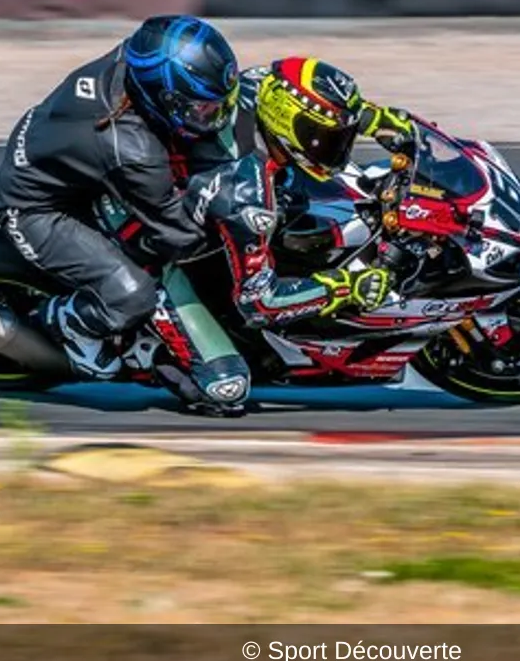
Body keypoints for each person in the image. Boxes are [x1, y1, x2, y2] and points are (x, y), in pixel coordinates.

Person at [134, 57, 411, 416]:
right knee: (228, 389)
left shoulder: (261, 86)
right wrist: (344, 286)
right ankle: (144, 351)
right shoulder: (248, 196)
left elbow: (309, 94)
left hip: (178, 201)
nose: (337, 151)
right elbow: (260, 303)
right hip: (153, 254)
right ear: (287, 128)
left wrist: (371, 118)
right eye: (325, 140)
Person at [0, 15, 241, 381]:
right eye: (201, 108)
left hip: (72, 160)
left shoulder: (139, 56)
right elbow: (179, 235)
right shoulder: (134, 153)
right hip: (40, 208)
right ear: (163, 97)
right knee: (134, 295)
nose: (214, 115)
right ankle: (70, 322)